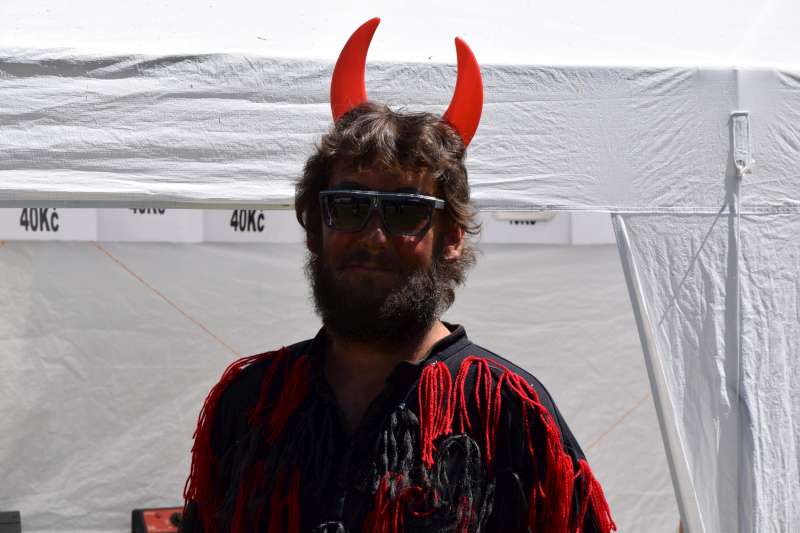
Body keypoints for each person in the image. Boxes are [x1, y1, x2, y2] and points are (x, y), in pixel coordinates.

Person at [180, 18, 615, 533]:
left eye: (406, 212)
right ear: (314, 227)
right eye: (348, 207)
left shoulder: (508, 412)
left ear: (451, 236)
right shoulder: (253, 400)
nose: (374, 236)